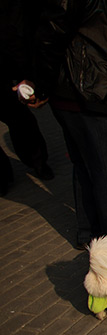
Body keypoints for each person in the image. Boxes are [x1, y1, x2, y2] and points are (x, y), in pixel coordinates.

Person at [23, 0, 107, 249]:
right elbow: (50, 34)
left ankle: (90, 235)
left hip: (78, 89)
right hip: (90, 90)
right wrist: (41, 86)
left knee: (88, 165)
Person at [0, 0, 54, 197]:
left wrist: (28, 72)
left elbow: (13, 27)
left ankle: (38, 161)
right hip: (11, 56)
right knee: (18, 118)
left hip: (8, 63)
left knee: (19, 118)